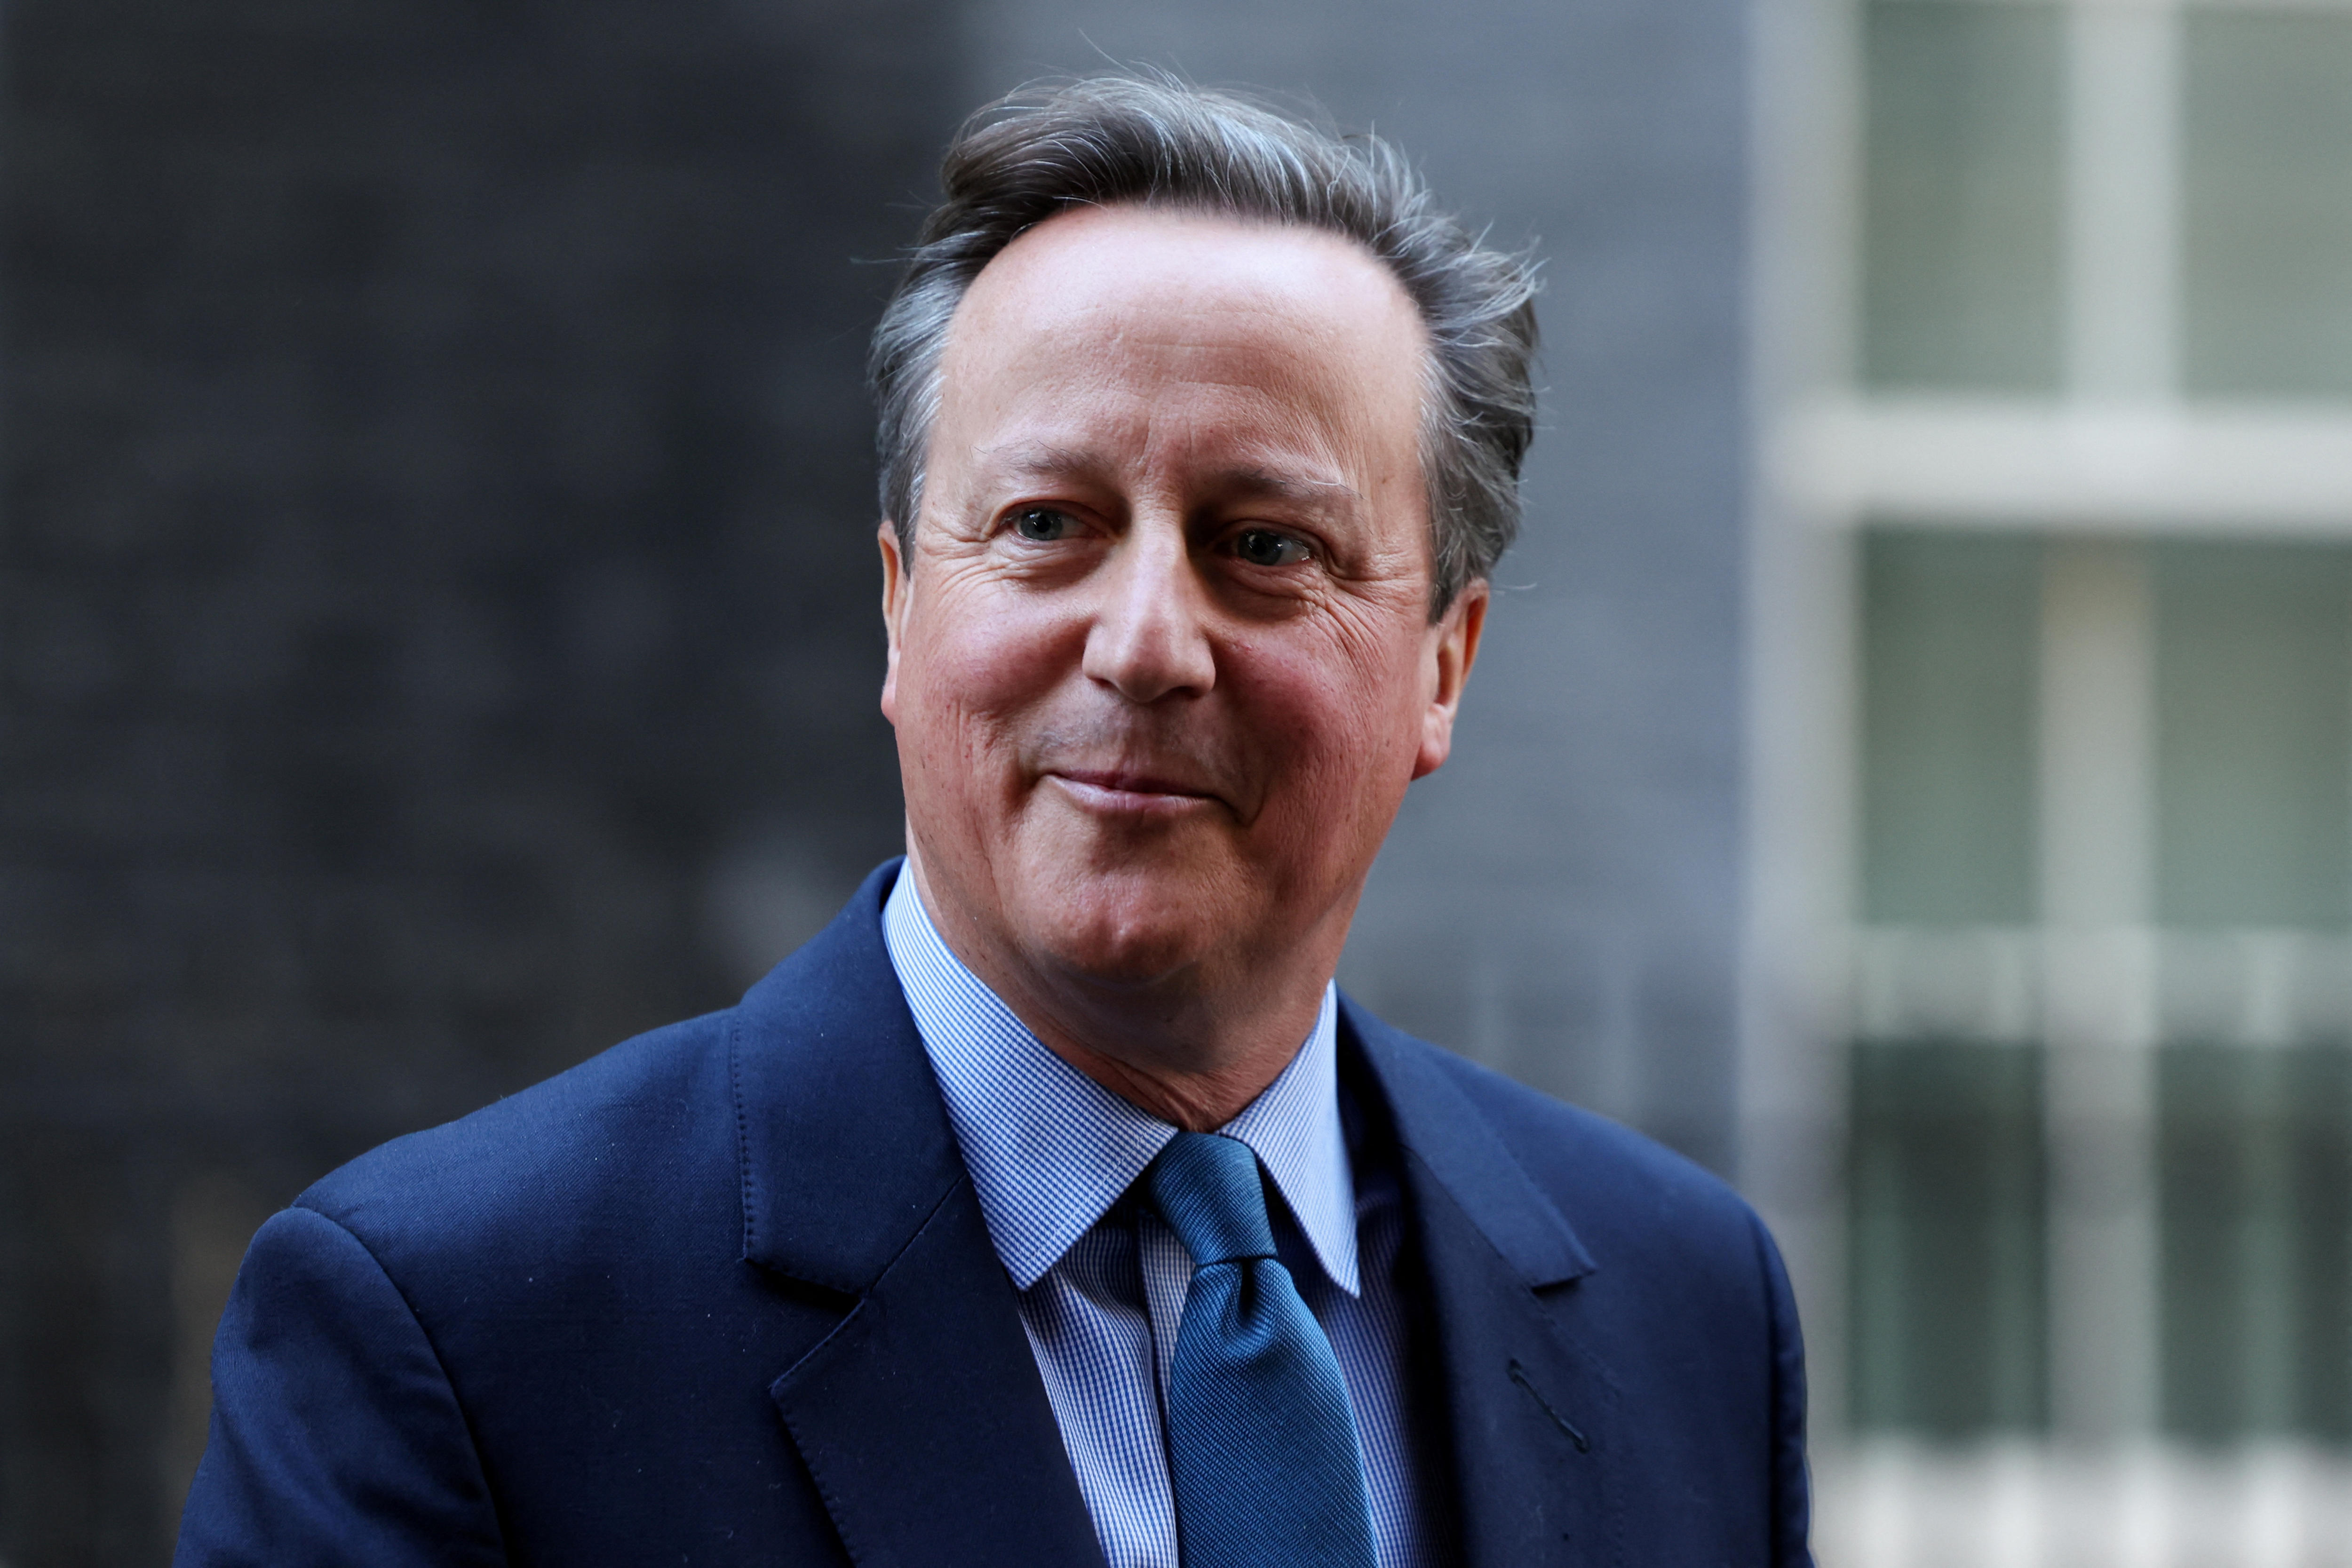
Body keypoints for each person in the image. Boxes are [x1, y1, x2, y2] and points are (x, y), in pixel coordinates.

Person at [177, 76, 1811, 1568]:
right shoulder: (453, 1335)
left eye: (1264, 545)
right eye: (1048, 524)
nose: (1147, 643)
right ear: (901, 611)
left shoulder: (1688, 1317)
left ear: (1443, 665)